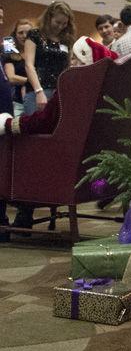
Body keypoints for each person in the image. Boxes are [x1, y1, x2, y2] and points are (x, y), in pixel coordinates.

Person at [0, 37, 117, 239]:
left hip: (58, 164)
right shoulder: (108, 90)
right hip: (89, 169)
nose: (72, 63)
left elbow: (44, 121)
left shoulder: (72, 86)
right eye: (71, 59)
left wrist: (9, 124)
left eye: (77, 59)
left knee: (11, 149)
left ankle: (16, 217)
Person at [23, 1, 76, 117]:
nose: (61, 26)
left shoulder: (67, 39)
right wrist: (39, 91)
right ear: (49, 18)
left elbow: (67, 67)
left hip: (58, 92)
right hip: (37, 91)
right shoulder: (35, 35)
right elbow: (29, 65)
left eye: (64, 23)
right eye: (57, 22)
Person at [2, 19, 31, 117]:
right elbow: (11, 78)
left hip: (33, 97)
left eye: (27, 33)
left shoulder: (37, 51)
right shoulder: (9, 48)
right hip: (16, 100)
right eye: (20, 33)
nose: (24, 36)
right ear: (15, 34)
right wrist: (32, 81)